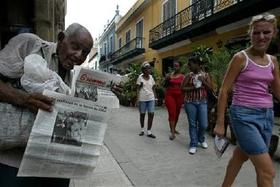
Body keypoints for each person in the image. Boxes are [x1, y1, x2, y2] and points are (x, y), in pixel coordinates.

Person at [0, 23, 93, 187]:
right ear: (61, 38)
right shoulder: (30, 45)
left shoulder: (73, 78)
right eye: (75, 47)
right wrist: (23, 99)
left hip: (55, 164)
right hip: (14, 162)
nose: (79, 55)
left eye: (85, 53)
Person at [214, 13, 279, 187]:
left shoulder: (272, 61)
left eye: (266, 32)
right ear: (250, 33)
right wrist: (220, 123)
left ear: (274, 33)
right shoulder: (241, 58)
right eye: (257, 32)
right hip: (244, 116)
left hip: (267, 115)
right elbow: (224, 90)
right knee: (268, 171)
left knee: (241, 155)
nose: (262, 37)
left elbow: (277, 91)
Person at [181, 55, 213, 154]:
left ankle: (201, 139)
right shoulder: (188, 75)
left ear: (198, 65)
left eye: (190, 64)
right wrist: (193, 88)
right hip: (190, 102)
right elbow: (182, 88)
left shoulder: (205, 75)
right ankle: (193, 143)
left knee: (204, 124)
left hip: (202, 102)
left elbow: (211, 88)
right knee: (193, 124)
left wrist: (202, 81)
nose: (189, 66)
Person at [163, 59, 185, 140]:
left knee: (177, 113)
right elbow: (165, 86)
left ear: (180, 67)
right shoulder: (169, 75)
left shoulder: (183, 76)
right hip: (170, 96)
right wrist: (166, 79)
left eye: (177, 66)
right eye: (174, 66)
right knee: (172, 113)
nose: (175, 67)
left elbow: (184, 87)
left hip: (179, 97)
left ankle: (174, 128)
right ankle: (172, 133)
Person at [136, 62, 157, 138]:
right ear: (143, 70)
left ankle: (149, 131)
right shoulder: (140, 77)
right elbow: (137, 89)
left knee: (151, 114)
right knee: (142, 114)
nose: (148, 69)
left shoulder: (151, 77)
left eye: (149, 68)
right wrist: (137, 99)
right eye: (147, 68)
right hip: (142, 99)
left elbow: (154, 88)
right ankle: (142, 130)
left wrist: (156, 98)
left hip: (151, 98)